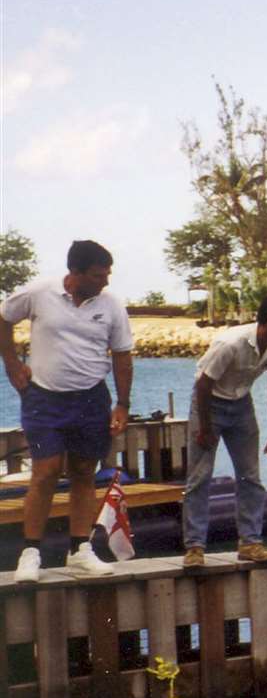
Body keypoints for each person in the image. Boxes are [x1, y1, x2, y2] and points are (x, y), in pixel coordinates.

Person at [0, 240, 133, 580]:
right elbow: (3, 318)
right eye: (98, 275)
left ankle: (79, 549)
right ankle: (30, 553)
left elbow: (121, 355)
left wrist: (122, 403)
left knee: (84, 472)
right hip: (44, 397)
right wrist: (12, 364)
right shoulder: (39, 292)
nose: (105, 281)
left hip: (91, 398)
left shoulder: (112, 306)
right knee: (44, 472)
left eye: (108, 275)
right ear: (74, 273)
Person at [181, 292, 267, 568]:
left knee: (250, 476)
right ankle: (194, 548)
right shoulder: (232, 343)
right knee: (200, 477)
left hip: (241, 405)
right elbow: (203, 385)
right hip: (208, 403)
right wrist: (204, 428)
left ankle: (250, 542)